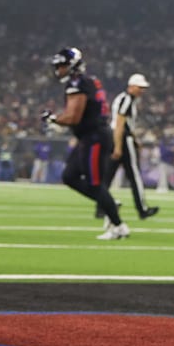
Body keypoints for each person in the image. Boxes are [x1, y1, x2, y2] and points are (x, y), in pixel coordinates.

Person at [43, 47, 127, 240]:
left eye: (62, 66)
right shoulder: (88, 81)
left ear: (72, 66)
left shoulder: (78, 83)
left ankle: (119, 226)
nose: (59, 70)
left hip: (95, 137)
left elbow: (73, 117)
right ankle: (110, 204)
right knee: (70, 176)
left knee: (95, 184)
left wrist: (53, 119)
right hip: (89, 137)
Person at [99, 73, 159, 220]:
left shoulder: (124, 99)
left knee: (107, 176)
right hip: (122, 139)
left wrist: (133, 138)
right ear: (131, 86)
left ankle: (101, 207)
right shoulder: (127, 100)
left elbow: (123, 124)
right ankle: (142, 209)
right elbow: (120, 123)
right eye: (140, 87)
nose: (142, 91)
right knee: (134, 176)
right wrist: (119, 146)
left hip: (118, 137)